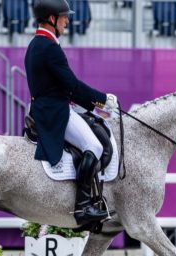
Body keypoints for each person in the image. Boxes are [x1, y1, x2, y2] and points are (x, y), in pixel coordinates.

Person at [25, 0, 119, 225]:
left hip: (48, 106)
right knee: (94, 146)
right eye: (64, 17)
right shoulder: (48, 47)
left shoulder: (37, 43)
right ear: (51, 18)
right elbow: (72, 86)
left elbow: (65, 88)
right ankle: (83, 207)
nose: (67, 21)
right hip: (54, 111)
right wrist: (103, 100)